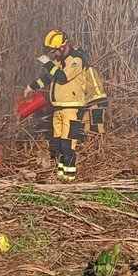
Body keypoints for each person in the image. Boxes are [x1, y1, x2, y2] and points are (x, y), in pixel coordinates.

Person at [24, 30, 87, 181]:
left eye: (54, 50)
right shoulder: (58, 62)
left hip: (71, 109)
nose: (54, 54)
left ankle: (69, 178)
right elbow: (48, 78)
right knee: (57, 144)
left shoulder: (76, 60)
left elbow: (62, 76)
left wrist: (47, 63)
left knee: (68, 145)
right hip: (58, 108)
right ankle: (60, 175)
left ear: (63, 46)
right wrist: (32, 86)